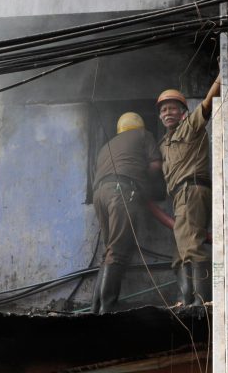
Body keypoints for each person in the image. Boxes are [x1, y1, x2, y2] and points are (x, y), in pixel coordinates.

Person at [157, 77, 221, 306]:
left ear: (183, 111)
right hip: (179, 197)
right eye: (164, 110)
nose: (167, 113)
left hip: (192, 189)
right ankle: (187, 299)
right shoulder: (164, 143)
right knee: (181, 251)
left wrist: (218, 81)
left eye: (172, 108)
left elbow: (206, 104)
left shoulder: (190, 125)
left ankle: (202, 301)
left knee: (192, 246)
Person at [91, 112, 162, 314]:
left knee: (110, 248)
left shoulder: (107, 145)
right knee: (119, 249)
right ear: (139, 125)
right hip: (121, 190)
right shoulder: (143, 135)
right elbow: (156, 164)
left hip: (99, 194)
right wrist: (144, 182)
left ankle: (96, 307)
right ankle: (108, 306)